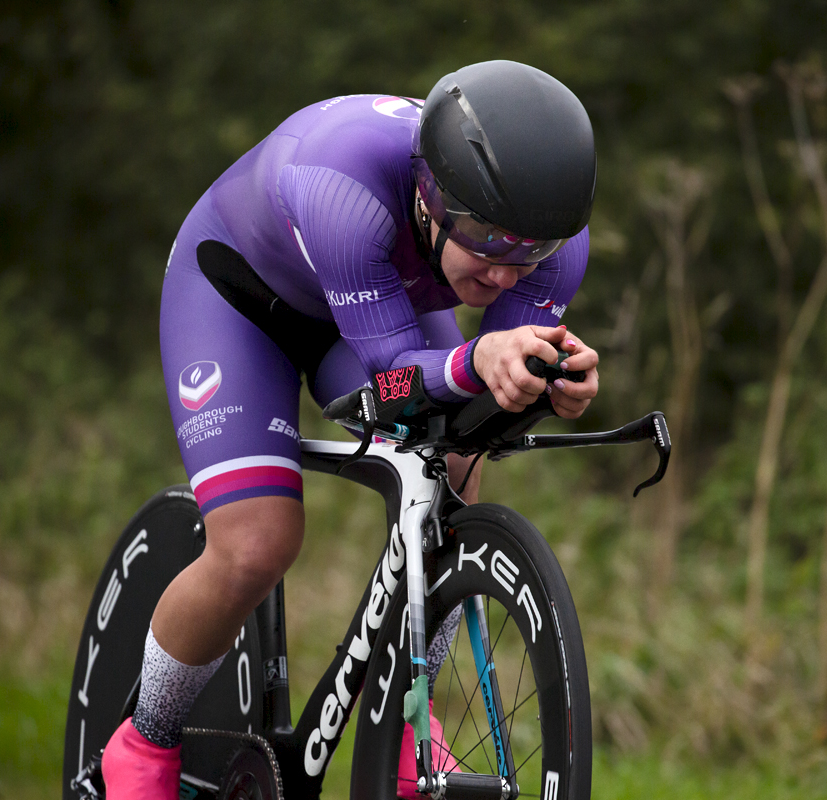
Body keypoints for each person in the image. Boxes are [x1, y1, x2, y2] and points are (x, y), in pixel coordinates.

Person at [101, 59, 600, 799]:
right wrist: (476, 360)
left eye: (528, 250)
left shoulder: (551, 248)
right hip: (238, 300)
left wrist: (546, 379)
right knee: (257, 542)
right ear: (431, 202)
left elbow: (477, 392)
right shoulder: (344, 187)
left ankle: (408, 719)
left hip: (368, 308)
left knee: (455, 458)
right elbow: (395, 379)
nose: (505, 272)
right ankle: (143, 743)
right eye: (488, 242)